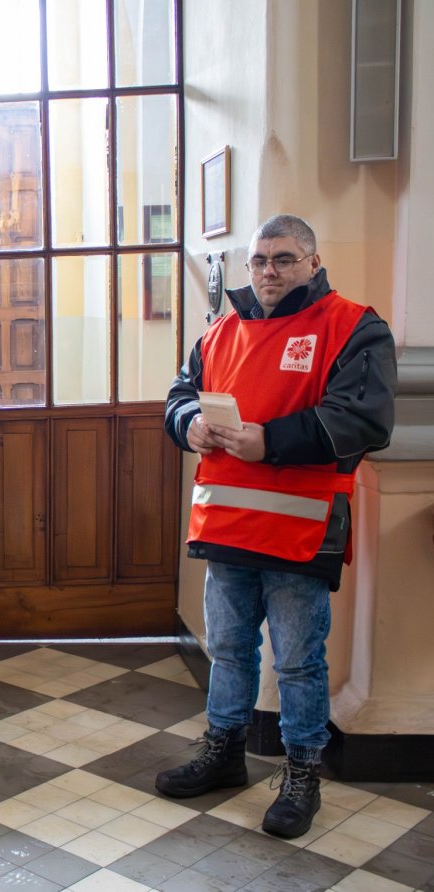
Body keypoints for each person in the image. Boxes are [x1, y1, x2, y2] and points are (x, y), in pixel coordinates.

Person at [157, 214, 396, 838]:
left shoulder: (354, 326)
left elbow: (365, 419)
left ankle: (301, 775)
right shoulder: (222, 331)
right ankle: (224, 752)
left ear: (313, 263)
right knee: (229, 650)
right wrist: (189, 424)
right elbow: (180, 393)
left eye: (284, 259)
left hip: (300, 527)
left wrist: (271, 442)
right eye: (260, 260)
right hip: (227, 523)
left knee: (297, 662)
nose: (269, 271)